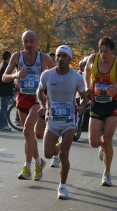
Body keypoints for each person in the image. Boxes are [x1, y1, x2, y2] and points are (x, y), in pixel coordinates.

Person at [2, 30, 55, 181]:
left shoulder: (44, 59)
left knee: (27, 130)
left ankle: (27, 167)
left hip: (36, 99)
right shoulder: (16, 57)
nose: (29, 44)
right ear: (22, 42)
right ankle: (39, 163)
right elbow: (4, 77)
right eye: (26, 41)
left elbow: (57, 73)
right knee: (28, 134)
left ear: (37, 41)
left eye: (32, 41)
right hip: (21, 99)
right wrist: (15, 75)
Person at [37, 45, 87, 199]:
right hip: (52, 120)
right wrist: (41, 105)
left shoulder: (76, 77)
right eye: (59, 55)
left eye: (65, 56)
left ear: (70, 59)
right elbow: (39, 92)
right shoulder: (47, 75)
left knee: (64, 153)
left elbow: (84, 97)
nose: (61, 59)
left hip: (69, 121)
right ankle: (61, 146)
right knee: (47, 153)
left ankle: (62, 186)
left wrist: (83, 106)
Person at [84, 37, 117, 186]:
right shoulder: (93, 59)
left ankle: (107, 173)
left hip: (113, 104)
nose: (103, 55)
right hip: (97, 103)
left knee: (107, 140)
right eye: (101, 51)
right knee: (93, 142)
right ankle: (102, 146)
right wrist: (87, 86)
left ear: (112, 50)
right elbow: (86, 72)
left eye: (106, 51)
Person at [0, 51, 13, 132]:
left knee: (4, 108)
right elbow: (6, 80)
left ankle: (4, 123)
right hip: (4, 89)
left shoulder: (0, 65)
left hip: (0, 88)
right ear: (9, 57)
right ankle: (2, 125)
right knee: (4, 108)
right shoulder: (5, 67)